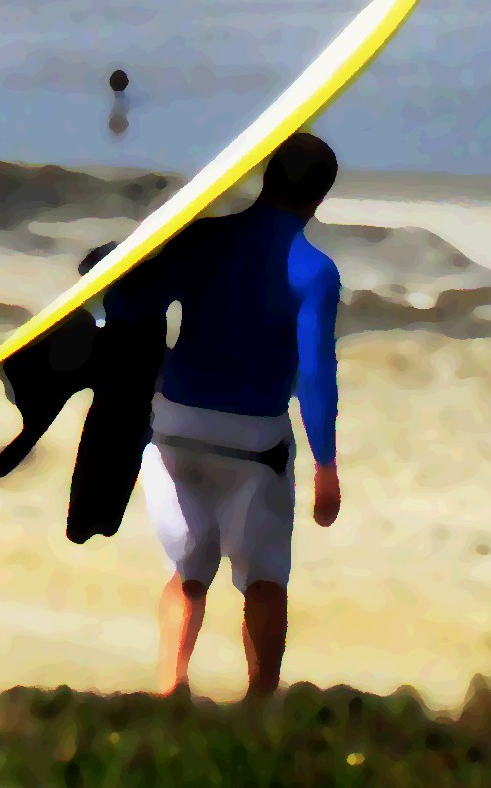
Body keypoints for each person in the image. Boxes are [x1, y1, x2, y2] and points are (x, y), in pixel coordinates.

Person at [100, 129, 344, 699]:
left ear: (263, 176)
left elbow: (131, 303)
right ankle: (259, 708)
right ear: (320, 198)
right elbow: (314, 375)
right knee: (263, 581)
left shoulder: (204, 238)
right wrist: (326, 464)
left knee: (188, 574)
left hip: (175, 428)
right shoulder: (314, 271)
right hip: (254, 442)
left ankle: (170, 690)